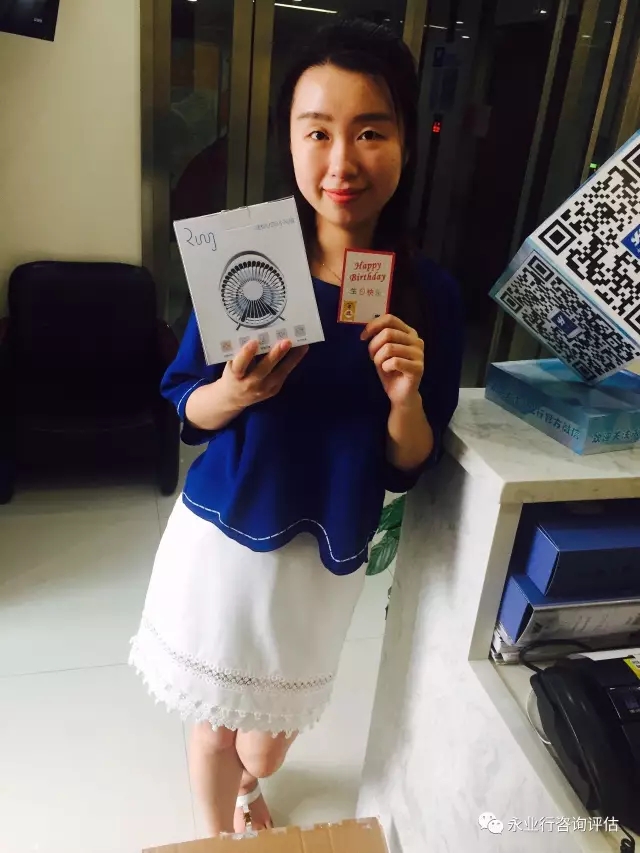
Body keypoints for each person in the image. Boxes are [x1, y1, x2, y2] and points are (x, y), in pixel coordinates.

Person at [130, 18, 464, 837]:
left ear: (407, 141)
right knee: (214, 726)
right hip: (227, 534)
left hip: (326, 549)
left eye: (370, 131)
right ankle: (219, 833)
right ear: (289, 139)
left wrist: (404, 397)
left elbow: (409, 462)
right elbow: (184, 406)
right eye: (317, 132)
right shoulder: (248, 263)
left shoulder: (427, 295)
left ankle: (251, 784)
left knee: (266, 742)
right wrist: (233, 392)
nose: (341, 161)